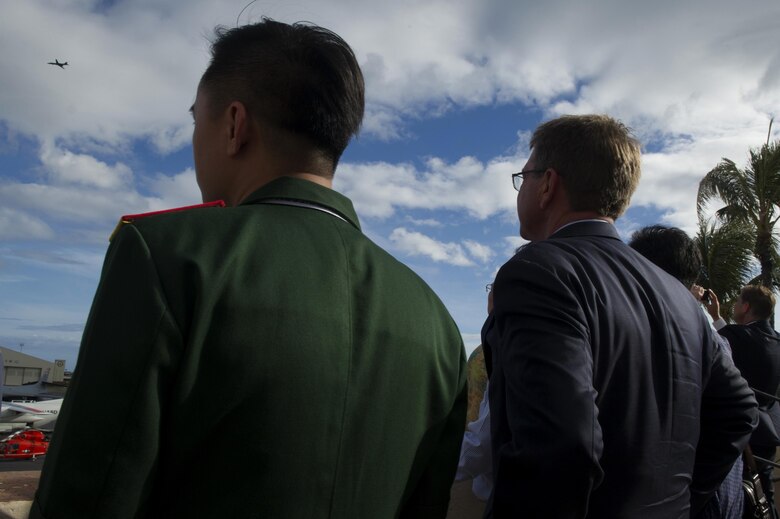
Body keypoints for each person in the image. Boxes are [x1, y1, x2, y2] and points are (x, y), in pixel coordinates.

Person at [31, 19, 467, 519]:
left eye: (198, 121)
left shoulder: (165, 255)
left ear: (235, 125)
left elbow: (88, 493)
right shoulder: (437, 322)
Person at [486, 114, 758, 518]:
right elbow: (738, 410)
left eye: (523, 177)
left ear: (547, 184)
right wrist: (684, 500)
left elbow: (561, 443)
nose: (520, 189)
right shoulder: (679, 295)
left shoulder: (539, 271)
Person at [630, 225, 747, 519]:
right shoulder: (711, 337)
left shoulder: (662, 338)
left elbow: (741, 411)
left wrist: (688, 498)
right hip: (724, 498)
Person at [697, 284, 780, 519]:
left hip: (741, 433)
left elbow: (719, 344)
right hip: (768, 430)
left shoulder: (736, 336)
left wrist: (692, 302)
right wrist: (717, 317)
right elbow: (744, 345)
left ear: (745, 306)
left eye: (737, 301)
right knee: (764, 497)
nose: (734, 305)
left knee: (736, 496)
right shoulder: (775, 340)